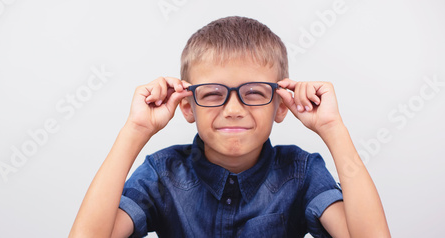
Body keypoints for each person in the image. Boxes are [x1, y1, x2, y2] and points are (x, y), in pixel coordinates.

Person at [69, 16, 391, 237]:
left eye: (253, 93)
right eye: (212, 93)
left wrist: (333, 128)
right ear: (186, 105)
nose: (234, 110)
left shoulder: (301, 172)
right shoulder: (162, 174)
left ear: (280, 106)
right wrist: (135, 130)